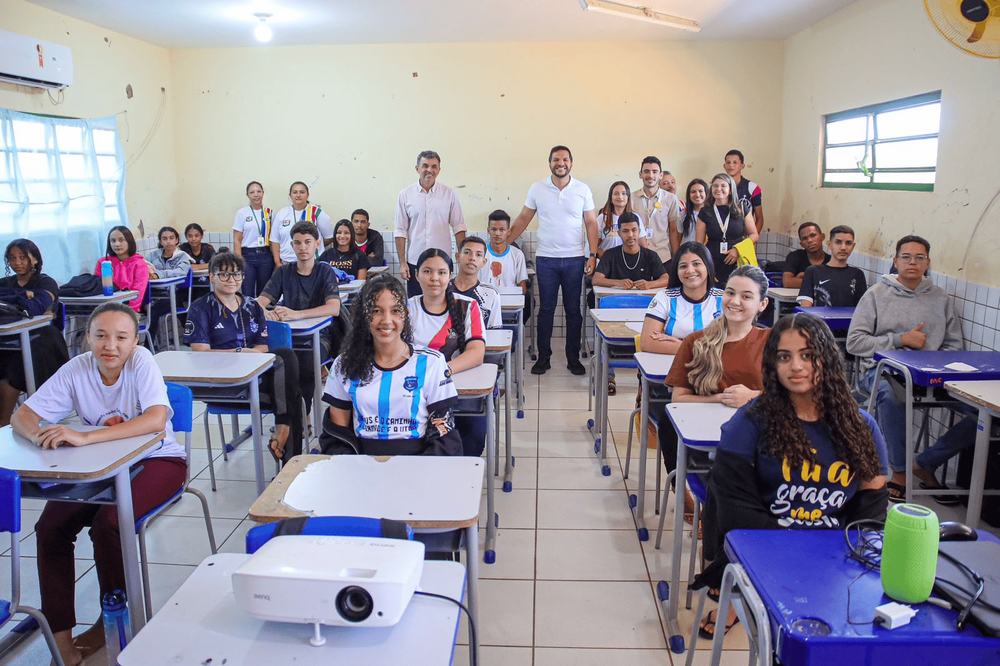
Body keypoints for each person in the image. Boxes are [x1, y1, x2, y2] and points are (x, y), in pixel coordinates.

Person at [11, 303, 186, 666]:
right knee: (50, 528)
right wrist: (41, 434)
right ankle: (60, 640)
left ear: (135, 341)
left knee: (110, 526)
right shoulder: (77, 368)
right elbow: (22, 415)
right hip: (99, 468)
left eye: (121, 337)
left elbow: (155, 421)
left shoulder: (142, 363)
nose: (111, 346)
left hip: (159, 460)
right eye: (101, 336)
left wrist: (84, 437)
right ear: (86, 338)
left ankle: (112, 619)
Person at [695, 313, 889, 638]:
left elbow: (871, 508)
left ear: (826, 357)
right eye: (784, 357)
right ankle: (736, 599)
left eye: (808, 355)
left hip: (835, 553)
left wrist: (840, 555)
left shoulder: (861, 426)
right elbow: (734, 508)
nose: (796, 366)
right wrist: (791, 553)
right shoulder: (751, 422)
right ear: (772, 364)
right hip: (765, 547)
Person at [847, 235, 974, 504]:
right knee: (892, 398)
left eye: (919, 258)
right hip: (883, 373)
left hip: (931, 379)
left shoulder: (941, 298)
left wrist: (930, 365)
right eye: (906, 257)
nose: (912, 263)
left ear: (928, 263)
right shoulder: (876, 295)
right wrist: (900, 340)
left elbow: (954, 345)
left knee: (983, 413)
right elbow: (855, 342)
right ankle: (901, 471)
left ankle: (926, 463)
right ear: (895, 261)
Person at [658, 265, 770, 522]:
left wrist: (752, 396)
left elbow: (790, 396)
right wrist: (720, 398)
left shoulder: (771, 342)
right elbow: (679, 399)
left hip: (757, 439)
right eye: (730, 293)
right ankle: (705, 508)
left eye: (746, 296)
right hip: (705, 439)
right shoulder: (696, 341)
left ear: (762, 304)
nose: (735, 301)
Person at [321, 273, 461, 456]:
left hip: (419, 465)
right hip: (361, 466)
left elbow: (443, 434)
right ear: (364, 315)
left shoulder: (432, 363)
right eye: (376, 311)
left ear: (406, 313)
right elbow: (337, 436)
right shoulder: (343, 365)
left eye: (395, 311)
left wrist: (422, 475)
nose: (386, 320)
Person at [184, 252, 303, 461]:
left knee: (288, 372)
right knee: (288, 396)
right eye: (224, 275)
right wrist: (240, 353)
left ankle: (284, 439)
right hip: (223, 381)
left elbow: (262, 346)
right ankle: (288, 455)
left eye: (237, 275)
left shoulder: (252, 306)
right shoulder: (200, 308)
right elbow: (200, 353)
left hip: (254, 373)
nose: (232, 280)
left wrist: (251, 355)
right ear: (212, 277)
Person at [508, 145, 600, 376]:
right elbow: (523, 219)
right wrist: (505, 242)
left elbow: (591, 223)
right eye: (556, 160)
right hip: (546, 259)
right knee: (546, 310)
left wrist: (593, 254)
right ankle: (543, 358)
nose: (561, 163)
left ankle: (573, 358)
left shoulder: (582, 189)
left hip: (574, 259)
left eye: (565, 159)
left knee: (573, 311)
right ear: (549, 163)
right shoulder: (537, 188)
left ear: (571, 163)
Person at [407, 249, 487, 456]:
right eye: (427, 271)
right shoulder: (406, 309)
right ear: (416, 275)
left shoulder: (467, 307)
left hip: (458, 390)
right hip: (414, 392)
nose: (434, 278)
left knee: (473, 441)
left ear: (450, 276)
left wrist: (442, 371)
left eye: (442, 273)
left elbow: (477, 352)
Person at [258, 221, 342, 416]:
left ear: (317, 244)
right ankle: (284, 416)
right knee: (273, 361)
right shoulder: (284, 271)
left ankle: (303, 416)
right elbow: (258, 302)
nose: (303, 248)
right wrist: (265, 313)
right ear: (292, 245)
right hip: (289, 337)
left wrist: (298, 314)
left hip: (320, 337)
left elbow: (334, 308)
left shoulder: (325, 271)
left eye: (307, 242)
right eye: (298, 243)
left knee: (304, 363)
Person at [0, 239, 69, 426]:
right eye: (12, 258)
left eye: (23, 257)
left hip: (43, 339)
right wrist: (22, 296)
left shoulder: (46, 282)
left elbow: (35, 309)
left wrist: (11, 300)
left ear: (35, 259)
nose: (17, 263)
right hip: (10, 339)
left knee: (13, 367)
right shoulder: (5, 282)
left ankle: (5, 423)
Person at [394, 150, 467, 297]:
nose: (429, 170)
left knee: (444, 304)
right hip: (415, 262)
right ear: (417, 169)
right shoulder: (405, 195)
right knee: (416, 306)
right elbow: (400, 231)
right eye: (425, 166)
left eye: (434, 166)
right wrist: (403, 263)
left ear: (439, 170)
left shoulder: (449, 194)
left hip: (443, 263)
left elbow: (459, 227)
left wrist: (463, 258)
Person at [640, 242, 724, 357]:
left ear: (708, 267)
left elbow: (732, 346)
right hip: (670, 368)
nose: (690, 270)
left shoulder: (723, 299)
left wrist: (682, 344)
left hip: (715, 370)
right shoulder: (664, 298)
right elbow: (647, 342)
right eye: (683, 266)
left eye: (696, 264)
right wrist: (701, 348)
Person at [696, 173, 758, 285]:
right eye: (715, 186)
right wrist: (706, 268)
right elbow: (699, 244)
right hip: (713, 263)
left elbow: (754, 235)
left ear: (730, 190)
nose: (718, 189)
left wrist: (738, 249)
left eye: (723, 186)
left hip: (738, 262)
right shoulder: (705, 212)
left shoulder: (742, 209)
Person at [592, 213, 669, 292]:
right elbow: (596, 279)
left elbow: (666, 279)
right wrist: (618, 283)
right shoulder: (610, 255)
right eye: (625, 231)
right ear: (619, 233)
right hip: (616, 300)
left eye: (634, 230)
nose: (630, 235)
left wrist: (649, 284)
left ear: (639, 231)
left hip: (643, 300)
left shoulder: (651, 255)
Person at [797, 224, 867, 308]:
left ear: (853, 246)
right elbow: (805, 309)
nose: (843, 247)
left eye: (848, 243)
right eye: (838, 242)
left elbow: (862, 309)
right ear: (829, 244)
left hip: (847, 321)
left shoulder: (857, 274)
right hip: (819, 321)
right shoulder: (813, 271)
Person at [146, 226, 193, 347]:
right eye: (165, 238)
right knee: (146, 308)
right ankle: (152, 344)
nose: (168, 241)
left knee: (154, 312)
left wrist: (158, 274)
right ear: (160, 241)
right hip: (154, 295)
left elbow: (180, 272)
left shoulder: (182, 256)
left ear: (177, 240)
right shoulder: (153, 255)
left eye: (172, 238)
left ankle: (147, 347)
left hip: (174, 294)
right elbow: (143, 265)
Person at [632, 156, 681, 266]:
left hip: (664, 257)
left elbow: (673, 230)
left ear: (660, 175)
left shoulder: (671, 199)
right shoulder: (631, 198)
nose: (650, 175)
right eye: (646, 171)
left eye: (654, 172)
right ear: (640, 174)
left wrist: (676, 258)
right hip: (638, 257)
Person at [271, 181, 334, 266]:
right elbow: (275, 241)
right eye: (295, 192)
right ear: (290, 195)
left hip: (312, 263)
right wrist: (278, 263)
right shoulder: (282, 213)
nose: (298, 195)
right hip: (287, 263)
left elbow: (328, 238)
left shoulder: (317, 212)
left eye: (302, 192)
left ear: (307, 195)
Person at [231, 180, 276, 297]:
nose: (256, 195)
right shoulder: (242, 213)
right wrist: (239, 260)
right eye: (252, 192)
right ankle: (248, 314)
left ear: (263, 193)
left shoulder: (269, 213)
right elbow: (237, 239)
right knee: (247, 291)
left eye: (259, 191)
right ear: (248, 195)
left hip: (266, 255)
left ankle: (261, 314)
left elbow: (274, 238)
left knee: (264, 292)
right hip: (247, 256)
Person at [451, 236, 502, 329]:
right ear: (458, 257)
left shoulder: (491, 294)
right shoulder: (443, 289)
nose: (472, 258)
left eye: (478, 254)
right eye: (467, 253)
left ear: (483, 262)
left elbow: (495, 332)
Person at [94, 226, 147, 313]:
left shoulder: (139, 264)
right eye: (113, 241)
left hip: (127, 308)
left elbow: (138, 293)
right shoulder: (104, 262)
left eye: (121, 240)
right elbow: (98, 286)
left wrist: (129, 312)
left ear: (129, 242)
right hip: (106, 307)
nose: (117, 244)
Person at [481, 209, 529, 294]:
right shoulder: (481, 254)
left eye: (502, 229)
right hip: (486, 303)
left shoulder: (517, 255)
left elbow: (522, 288)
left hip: (512, 304)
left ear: (508, 232)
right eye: (494, 229)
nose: (497, 233)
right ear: (488, 230)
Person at [596, 181, 646, 254]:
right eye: (616, 194)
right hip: (608, 262)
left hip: (630, 262)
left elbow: (643, 244)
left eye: (624, 193)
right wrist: (605, 257)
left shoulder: (635, 217)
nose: (620, 197)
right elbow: (594, 246)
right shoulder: (602, 218)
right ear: (611, 198)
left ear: (628, 197)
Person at [723, 149, 764, 234]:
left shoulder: (753, 188)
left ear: (742, 166)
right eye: (728, 162)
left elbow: (759, 218)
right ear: (724, 166)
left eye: (735, 162)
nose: (731, 165)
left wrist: (752, 240)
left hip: (744, 236)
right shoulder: (718, 188)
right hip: (723, 237)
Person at [783, 222, 830, 289]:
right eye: (804, 238)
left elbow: (835, 283)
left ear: (822, 237)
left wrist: (806, 278)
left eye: (813, 235)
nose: (809, 240)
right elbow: (787, 282)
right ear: (802, 244)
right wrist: (820, 282)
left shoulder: (830, 261)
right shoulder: (795, 256)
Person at [671, 178, 708, 254]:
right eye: (693, 192)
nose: (697, 195)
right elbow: (678, 237)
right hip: (687, 253)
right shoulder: (683, 215)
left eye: (700, 191)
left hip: (706, 253)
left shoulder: (712, 214)